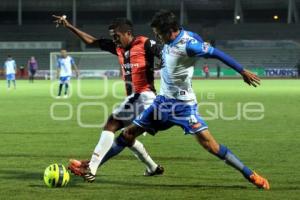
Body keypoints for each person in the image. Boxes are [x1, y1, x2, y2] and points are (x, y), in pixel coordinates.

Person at [74, 10, 270, 190]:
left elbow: (216, 53)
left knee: (211, 146)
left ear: (169, 31)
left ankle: (250, 175)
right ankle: (91, 166)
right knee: (127, 135)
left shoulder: (190, 45)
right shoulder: (174, 41)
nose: (157, 37)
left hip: (184, 107)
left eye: (159, 33)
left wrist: (242, 71)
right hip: (161, 104)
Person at [53, 15, 164, 179]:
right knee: (128, 136)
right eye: (113, 37)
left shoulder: (144, 43)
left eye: (117, 36)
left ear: (127, 33)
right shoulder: (118, 47)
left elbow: (166, 52)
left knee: (112, 124)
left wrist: (162, 63)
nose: (115, 40)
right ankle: (152, 167)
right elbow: (92, 42)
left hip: (144, 96)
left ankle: (91, 167)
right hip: (138, 98)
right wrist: (69, 26)